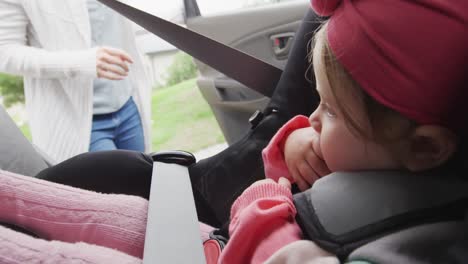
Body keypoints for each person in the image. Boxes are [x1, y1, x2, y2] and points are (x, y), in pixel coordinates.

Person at [1, 0, 468, 262]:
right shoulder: (363, 157)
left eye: (332, 112)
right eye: (316, 102)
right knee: (104, 208)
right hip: (212, 234)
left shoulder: (422, 243)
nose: (314, 118)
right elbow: (279, 167)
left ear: (426, 148)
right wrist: (290, 148)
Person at [0, 0, 152, 162]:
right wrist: (81, 63)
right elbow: (5, 52)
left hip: (128, 106)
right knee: (113, 185)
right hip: (78, 122)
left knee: (145, 183)